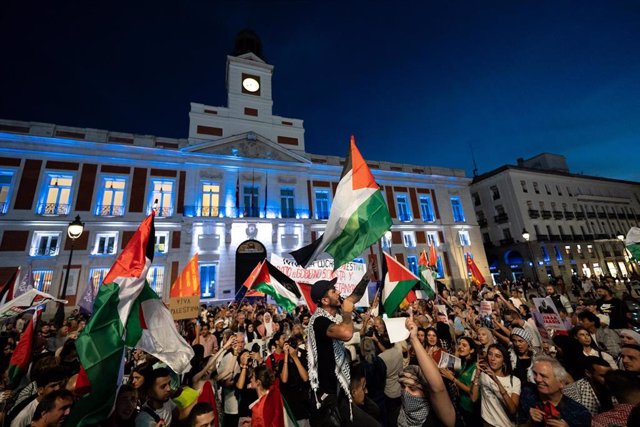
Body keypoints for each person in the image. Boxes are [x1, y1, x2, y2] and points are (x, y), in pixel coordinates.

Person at [519, 355, 591, 427]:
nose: (537, 379)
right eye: (535, 373)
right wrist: (530, 423)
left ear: (561, 383)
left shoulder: (580, 413)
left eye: (543, 376)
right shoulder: (527, 394)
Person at [471, 344, 520, 427]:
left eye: (497, 356)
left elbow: (513, 410)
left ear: (504, 361)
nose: (492, 359)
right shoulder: (481, 374)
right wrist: (477, 375)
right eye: (490, 354)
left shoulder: (515, 380)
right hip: (488, 423)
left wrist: (496, 380)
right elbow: (473, 399)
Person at [439, 336, 477, 426]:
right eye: (459, 344)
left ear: (471, 350)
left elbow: (470, 390)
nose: (460, 347)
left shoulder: (475, 367)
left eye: (464, 345)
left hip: (470, 407)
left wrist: (452, 379)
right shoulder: (463, 363)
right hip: (460, 403)